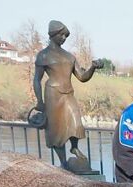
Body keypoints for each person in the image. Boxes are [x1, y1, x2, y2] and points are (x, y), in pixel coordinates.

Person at [32, 20, 103, 171]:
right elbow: (36, 80)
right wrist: (39, 101)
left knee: (75, 122)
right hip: (52, 94)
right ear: (53, 35)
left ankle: (74, 147)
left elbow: (82, 77)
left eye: (66, 35)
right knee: (56, 129)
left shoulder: (69, 57)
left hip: (68, 94)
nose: (64, 38)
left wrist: (93, 67)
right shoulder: (43, 55)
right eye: (62, 35)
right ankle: (63, 162)